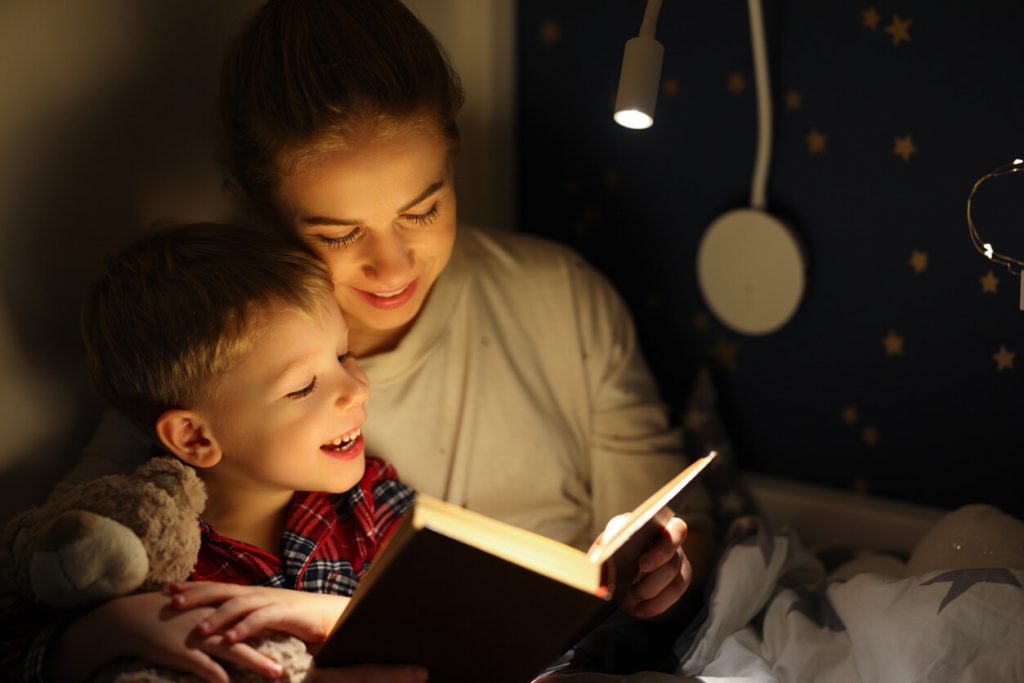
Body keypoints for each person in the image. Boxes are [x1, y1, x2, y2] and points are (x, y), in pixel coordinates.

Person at [55, 0, 716, 675]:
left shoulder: (561, 298)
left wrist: (666, 571)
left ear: (454, 155)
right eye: (339, 233)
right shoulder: (208, 361)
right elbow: (56, 571)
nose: (394, 266)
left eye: (422, 209)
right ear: (263, 211)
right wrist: (94, 633)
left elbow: (673, 529)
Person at [5, 223, 692, 682]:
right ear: (194, 437)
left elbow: (461, 624)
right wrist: (106, 629)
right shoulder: (142, 553)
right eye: (305, 384)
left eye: (343, 355)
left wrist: (599, 579)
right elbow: (20, 652)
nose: (354, 388)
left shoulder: (368, 504)